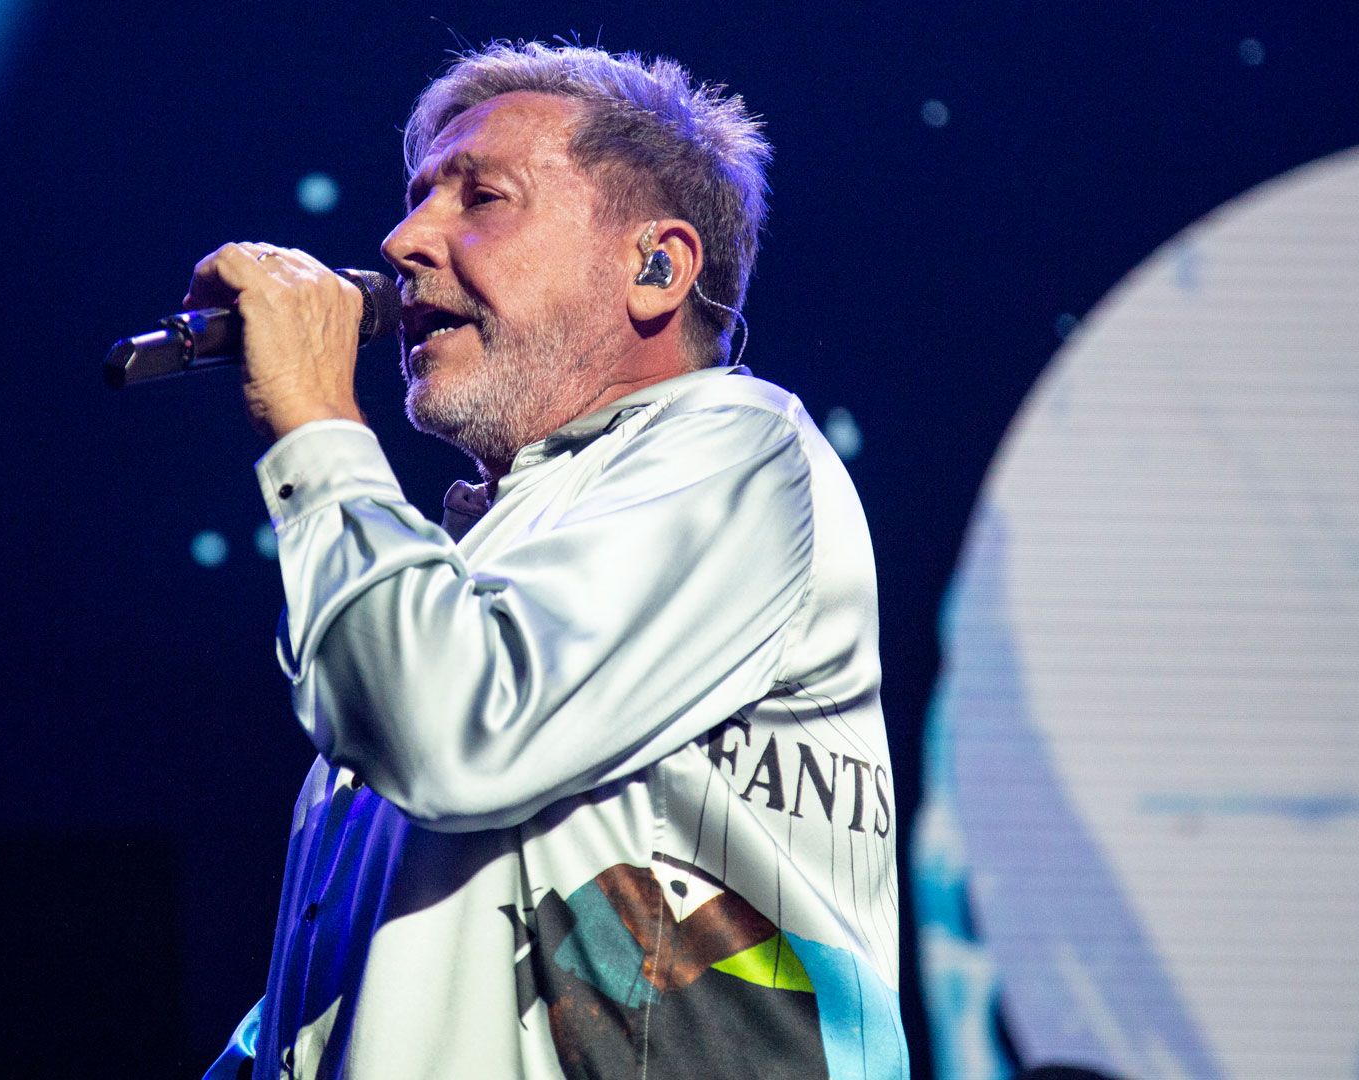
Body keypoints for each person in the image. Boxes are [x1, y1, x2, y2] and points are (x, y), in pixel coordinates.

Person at [190, 42, 907, 1080]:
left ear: (655, 267)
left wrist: (312, 418)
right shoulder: (464, 575)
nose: (402, 241)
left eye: (481, 198)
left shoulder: (740, 450)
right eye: (416, 198)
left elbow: (446, 727)